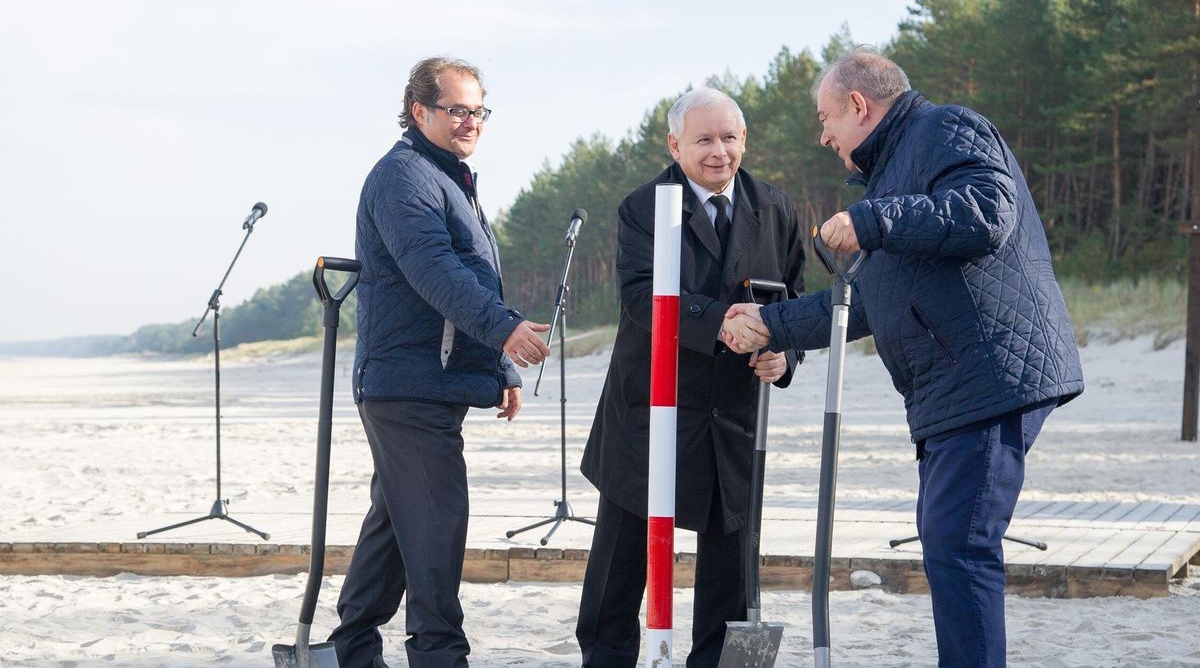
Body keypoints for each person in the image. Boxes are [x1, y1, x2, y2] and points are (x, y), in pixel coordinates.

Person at [722, 48, 1085, 667]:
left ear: (858, 105)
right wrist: (771, 325)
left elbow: (987, 213)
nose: (823, 134)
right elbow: (862, 304)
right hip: (950, 386)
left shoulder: (944, 127)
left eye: (825, 118)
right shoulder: (890, 174)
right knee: (951, 543)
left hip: (989, 373)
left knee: (959, 543)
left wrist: (874, 217)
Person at [329, 56, 550, 668]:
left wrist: (498, 369)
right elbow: (435, 273)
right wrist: (506, 332)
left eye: (478, 110)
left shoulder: (450, 178)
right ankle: (439, 655)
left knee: (398, 524)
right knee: (436, 526)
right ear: (419, 110)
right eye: (456, 109)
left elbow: (478, 277)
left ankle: (349, 651)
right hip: (406, 386)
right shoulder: (405, 178)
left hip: (431, 382)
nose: (469, 121)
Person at [576, 87, 807, 668]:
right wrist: (721, 321)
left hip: (732, 414)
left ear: (745, 140)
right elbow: (640, 298)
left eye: (730, 138)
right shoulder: (642, 206)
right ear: (675, 144)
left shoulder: (775, 208)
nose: (719, 152)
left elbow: (795, 302)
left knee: (731, 565)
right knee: (621, 562)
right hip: (650, 407)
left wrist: (785, 355)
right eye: (703, 139)